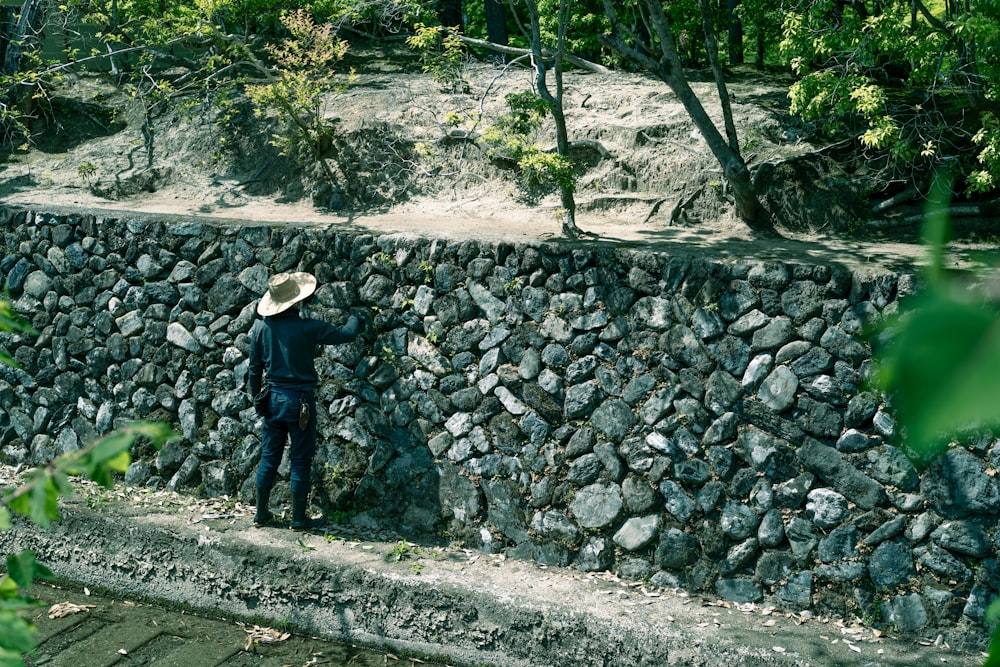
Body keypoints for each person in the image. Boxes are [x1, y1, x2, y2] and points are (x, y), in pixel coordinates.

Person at [248, 271, 360, 531]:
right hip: (300, 402)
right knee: (300, 458)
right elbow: (347, 333)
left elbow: (254, 370)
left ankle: (261, 513)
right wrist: (356, 315)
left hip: (272, 399)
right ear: (296, 301)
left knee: (269, 456)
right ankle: (298, 517)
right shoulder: (308, 328)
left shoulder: (260, 327)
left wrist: (257, 400)